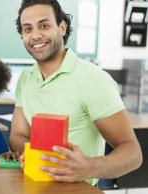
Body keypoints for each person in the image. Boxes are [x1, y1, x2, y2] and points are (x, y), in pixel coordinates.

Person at [9, 0, 142, 185]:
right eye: (27, 29)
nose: (36, 35)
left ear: (62, 27)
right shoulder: (25, 78)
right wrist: (32, 153)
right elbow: (17, 135)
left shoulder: (93, 79)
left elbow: (133, 153)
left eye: (44, 25)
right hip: (34, 184)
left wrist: (88, 167)